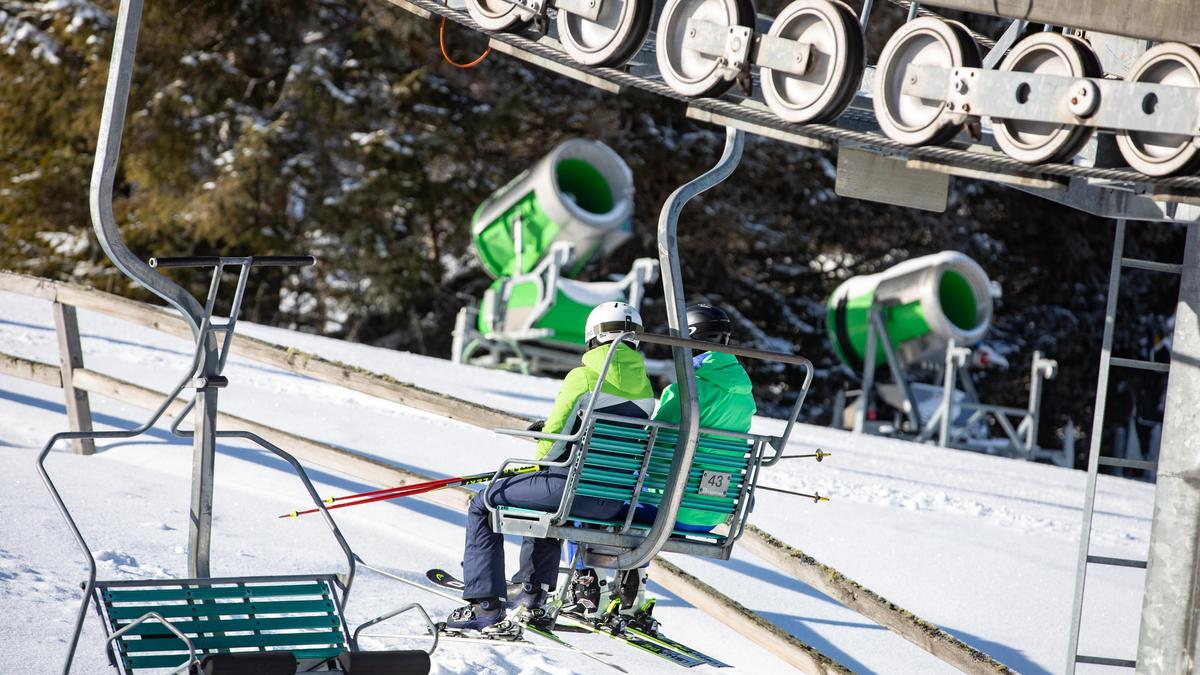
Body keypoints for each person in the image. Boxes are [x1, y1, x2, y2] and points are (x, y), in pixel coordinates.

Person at [445, 302, 655, 634]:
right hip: (612, 500)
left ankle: (485, 605)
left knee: (482, 503)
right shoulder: (646, 391)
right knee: (548, 500)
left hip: (570, 492)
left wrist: (544, 449)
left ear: (592, 338)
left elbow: (553, 445)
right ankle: (532, 594)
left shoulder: (584, 377)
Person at [606, 303, 757, 621]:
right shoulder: (744, 395)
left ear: (689, 338)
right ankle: (631, 591)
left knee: (596, 505)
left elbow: (653, 441)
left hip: (672, 509)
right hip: (711, 511)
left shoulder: (689, 391)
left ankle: (589, 589)